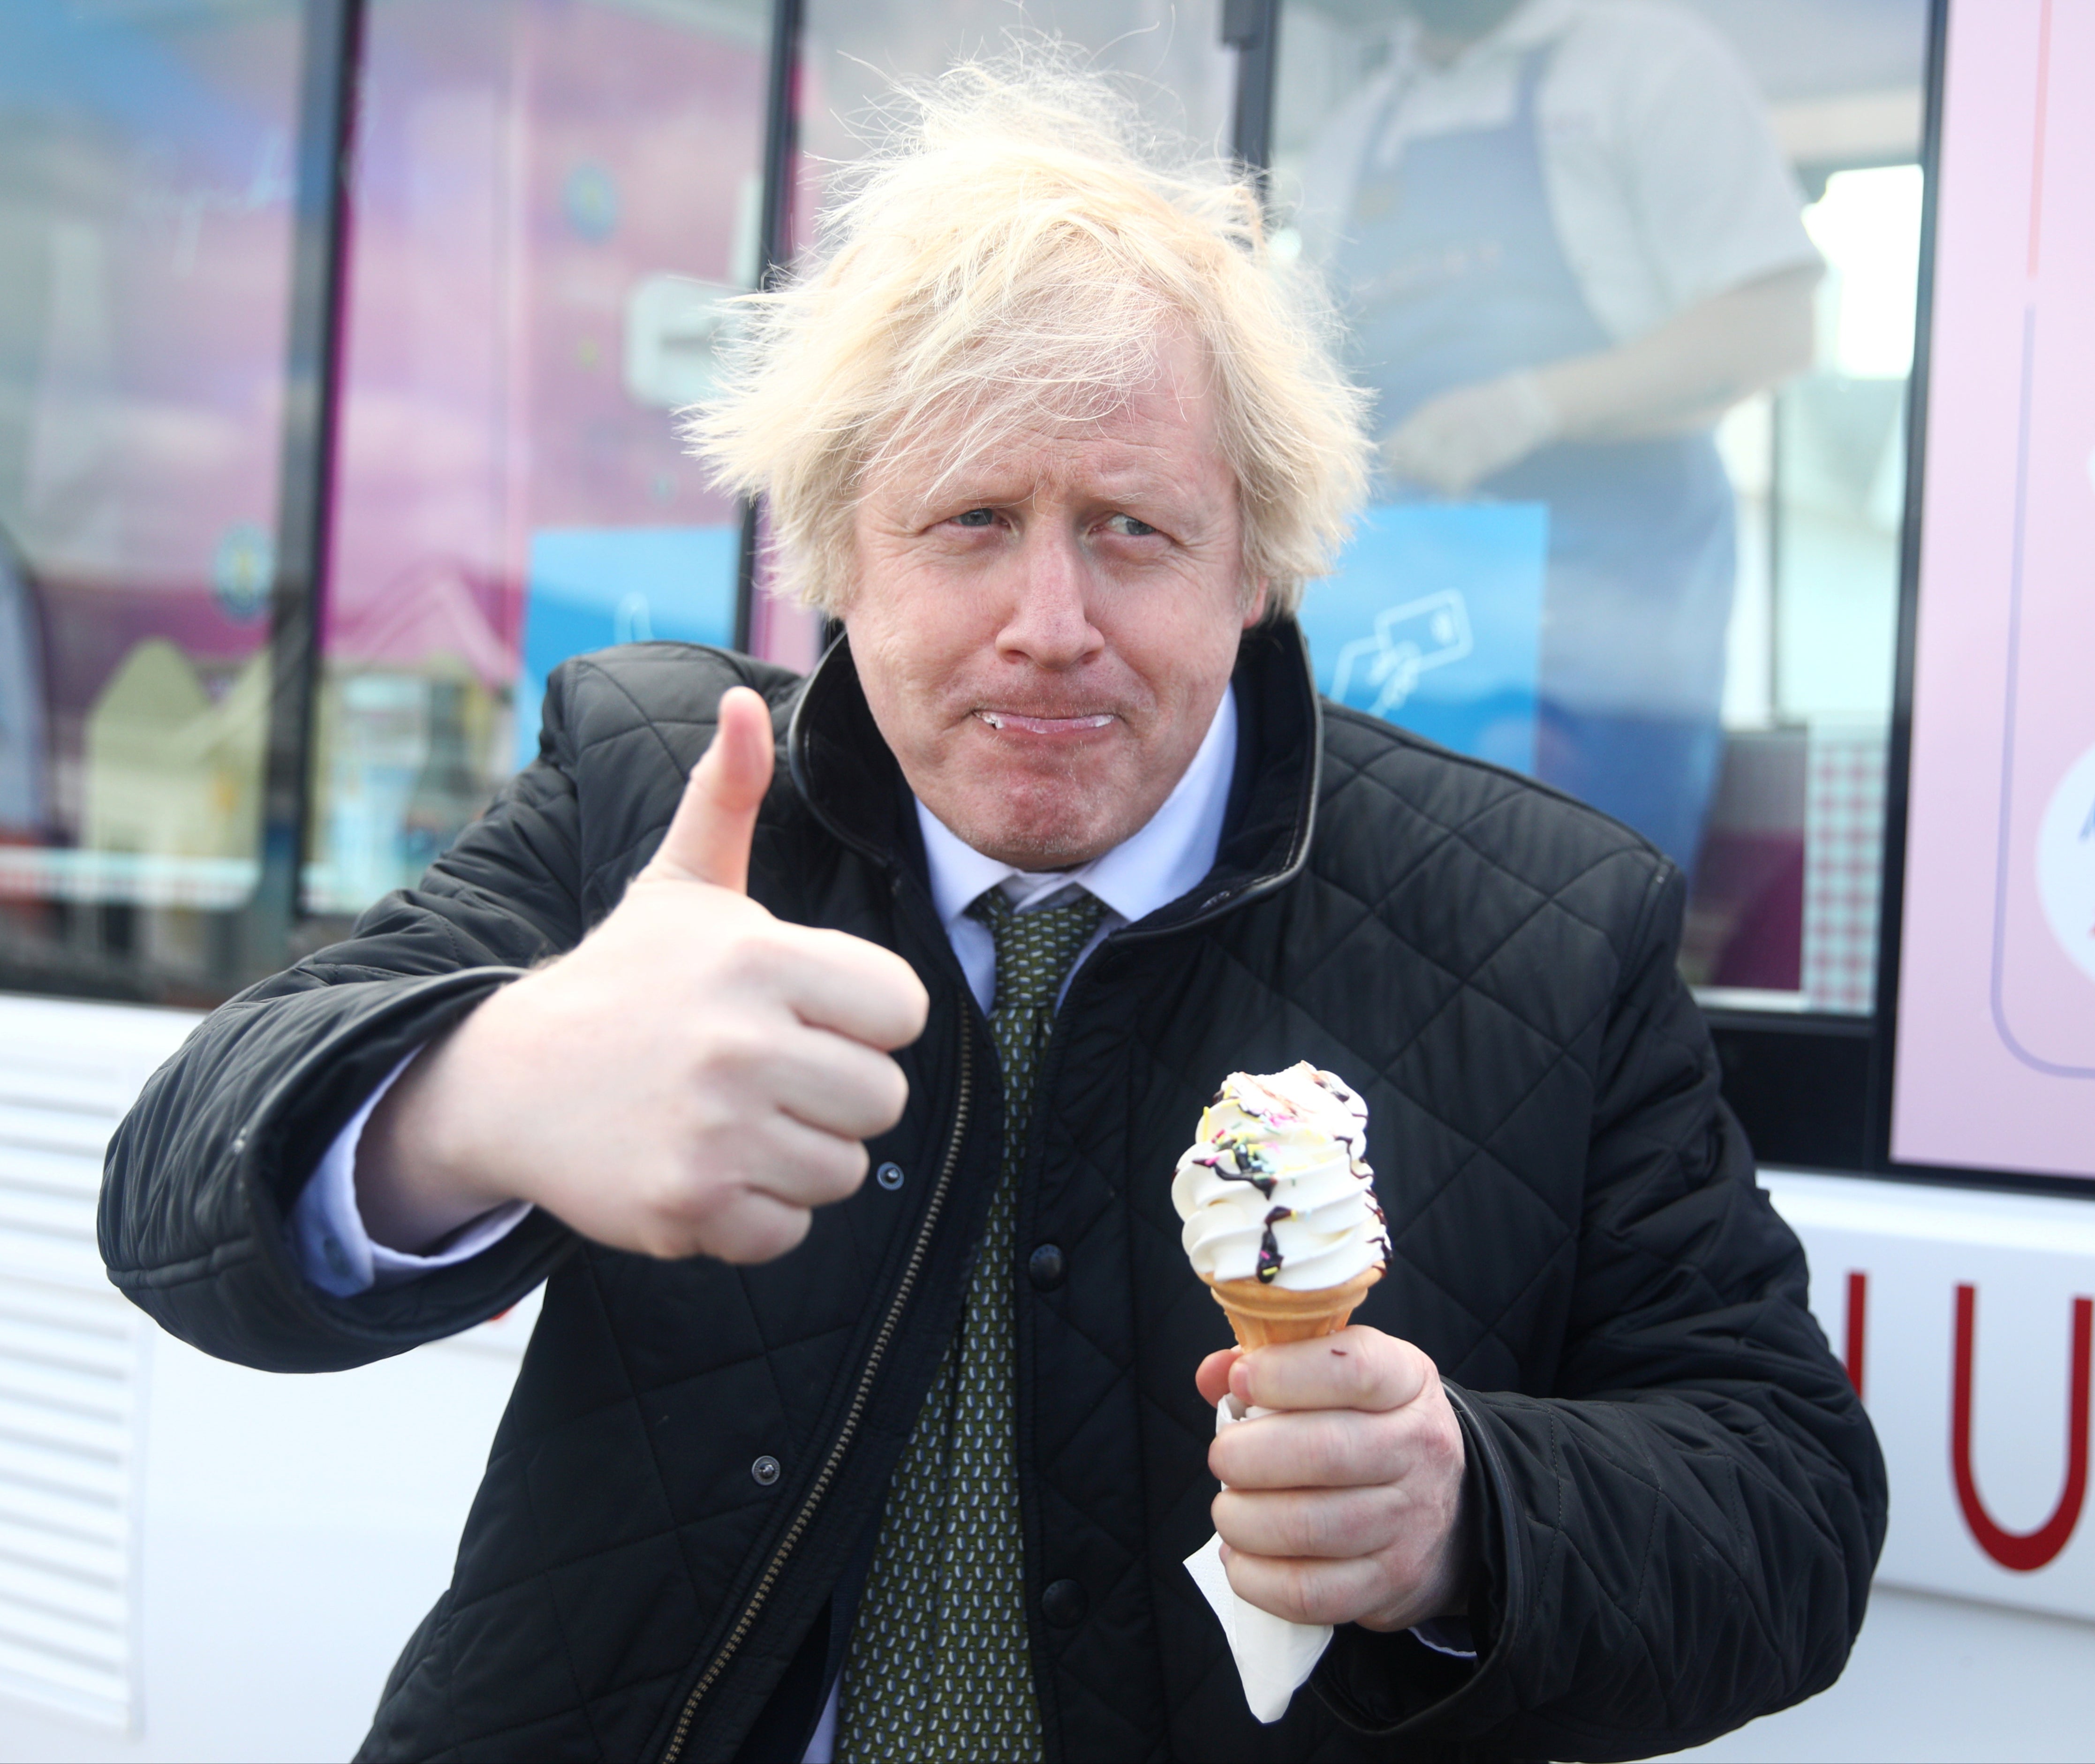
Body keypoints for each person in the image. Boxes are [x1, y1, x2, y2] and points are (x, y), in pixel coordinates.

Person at [100, 61, 1883, 1764]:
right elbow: (178, 1197)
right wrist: (480, 1087)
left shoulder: (1547, 927)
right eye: (966, 521)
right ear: (831, 548)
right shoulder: (652, 795)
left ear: (1254, 557)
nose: (1048, 618)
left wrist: (1466, 1514)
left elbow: (1787, 1503)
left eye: (1127, 528)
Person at [1289, 0, 1821, 871]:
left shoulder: (1647, 66)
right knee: (1375, 914)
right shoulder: (1356, 132)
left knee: (1575, 917)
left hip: (1606, 625)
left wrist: (1530, 404)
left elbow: (1772, 328)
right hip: (1401, 606)